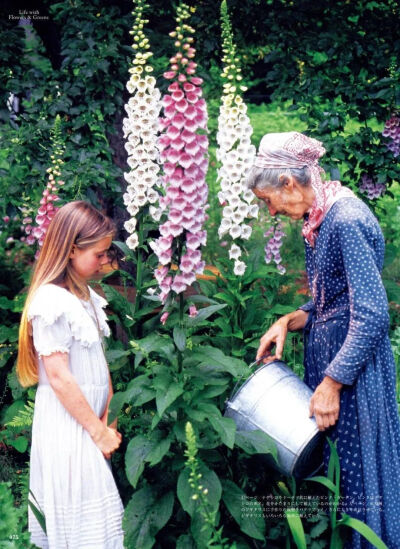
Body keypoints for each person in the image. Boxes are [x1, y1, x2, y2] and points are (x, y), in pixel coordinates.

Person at [247, 132, 400, 549]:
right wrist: (289, 320)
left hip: (355, 380)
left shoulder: (346, 220)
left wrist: (332, 384)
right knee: (342, 482)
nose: (272, 210)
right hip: (337, 376)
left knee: (362, 481)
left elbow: (371, 315)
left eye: (269, 200)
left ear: (289, 183)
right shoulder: (318, 218)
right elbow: (332, 300)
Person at [17, 201, 125, 548]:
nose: (105, 262)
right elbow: (60, 376)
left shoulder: (86, 297)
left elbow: (98, 362)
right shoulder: (51, 301)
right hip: (71, 425)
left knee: (99, 519)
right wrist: (96, 431)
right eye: (99, 254)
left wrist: (110, 414)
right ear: (71, 249)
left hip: (92, 425)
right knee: (84, 519)